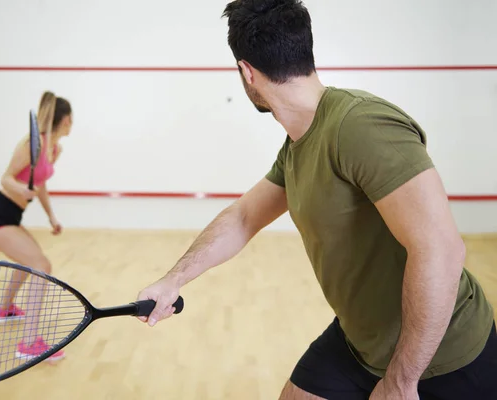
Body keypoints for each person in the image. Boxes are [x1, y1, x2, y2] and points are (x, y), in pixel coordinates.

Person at [135, 1, 497, 399]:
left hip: (442, 356)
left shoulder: (360, 126)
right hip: (361, 342)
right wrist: (173, 280)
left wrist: (400, 380)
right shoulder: (298, 145)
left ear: (246, 72)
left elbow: (441, 250)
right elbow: (243, 218)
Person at [0, 91, 72, 361]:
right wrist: (20, 188)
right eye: (71, 119)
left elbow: (41, 184)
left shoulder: (54, 149)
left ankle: (4, 309)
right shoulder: (32, 144)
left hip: (13, 214)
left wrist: (51, 216)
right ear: (65, 120)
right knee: (41, 265)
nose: (72, 124)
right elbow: (5, 179)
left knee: (32, 262)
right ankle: (29, 344)